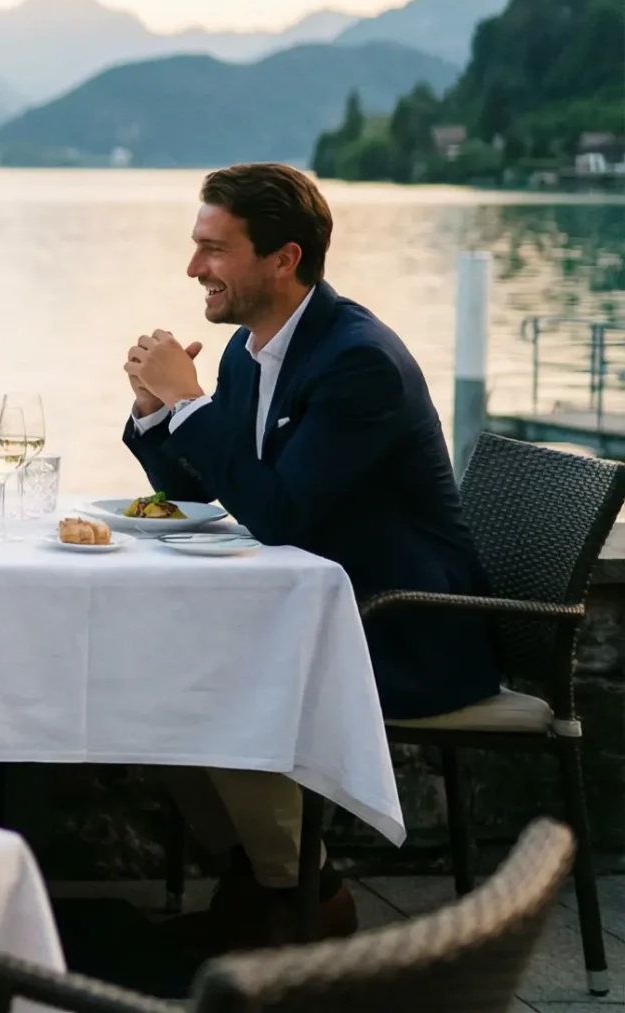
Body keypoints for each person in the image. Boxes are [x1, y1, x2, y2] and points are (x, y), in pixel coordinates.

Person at [122, 162, 501, 948]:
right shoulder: (250, 350)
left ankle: (310, 892)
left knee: (223, 675)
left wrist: (191, 403)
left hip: (410, 626)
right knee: (152, 661)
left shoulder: (357, 362)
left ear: (284, 258)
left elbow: (279, 512)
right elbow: (212, 485)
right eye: (197, 247)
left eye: (215, 249)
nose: (194, 268)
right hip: (333, 613)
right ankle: (255, 876)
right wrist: (158, 414)